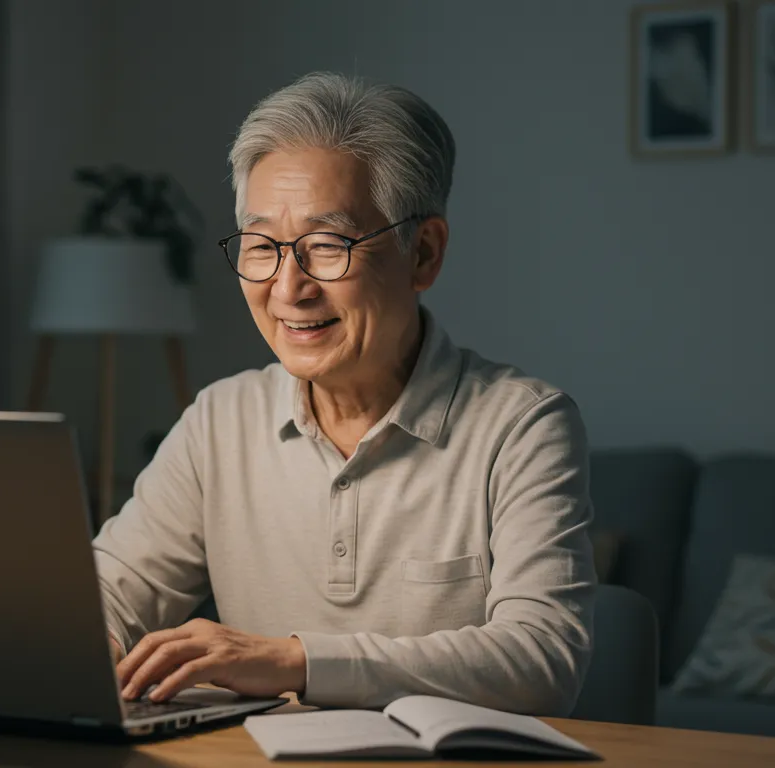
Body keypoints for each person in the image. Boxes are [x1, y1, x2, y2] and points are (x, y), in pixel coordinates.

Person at [93, 71, 596, 715]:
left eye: (328, 246)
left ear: (424, 254)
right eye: (261, 246)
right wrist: (90, 645)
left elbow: (541, 658)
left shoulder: (522, 425)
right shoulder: (220, 420)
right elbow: (106, 593)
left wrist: (294, 662)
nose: (288, 288)